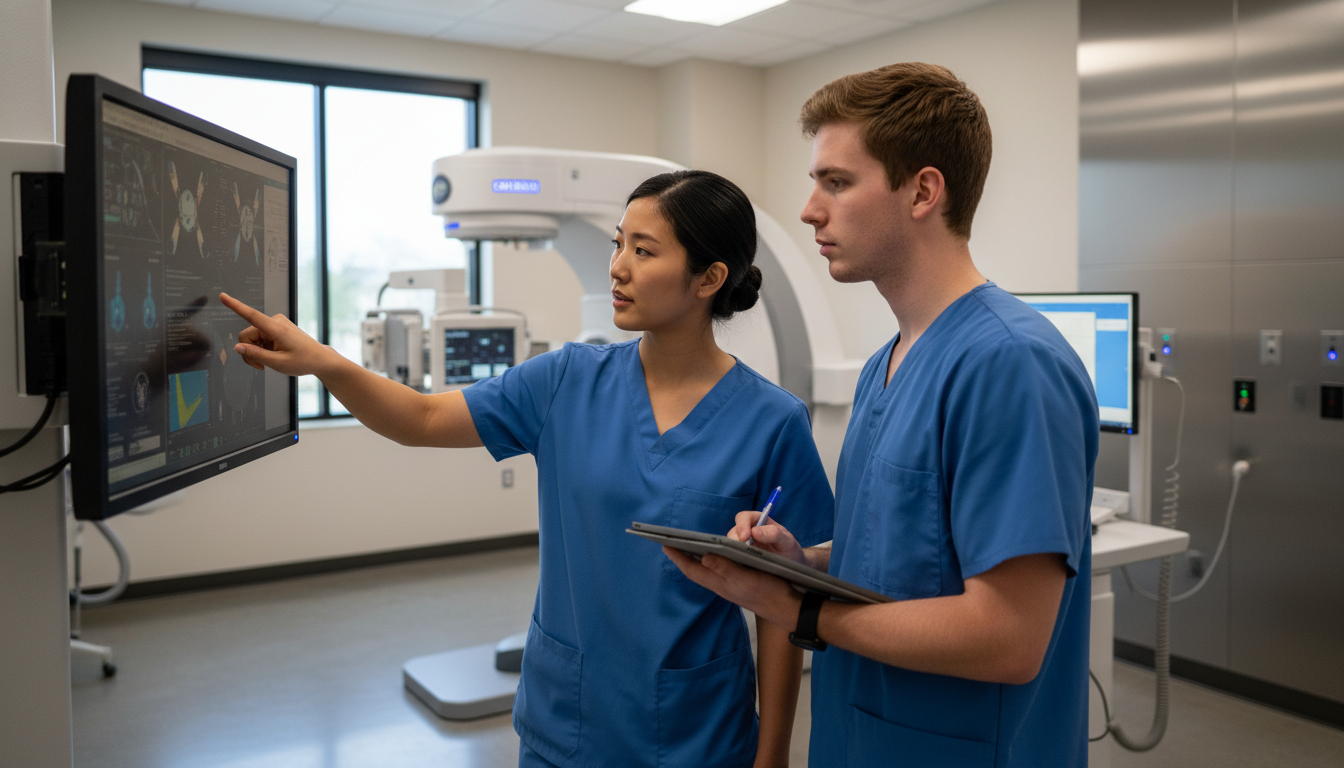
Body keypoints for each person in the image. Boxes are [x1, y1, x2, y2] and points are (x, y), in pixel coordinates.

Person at [221, 169, 835, 768]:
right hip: (565, 720)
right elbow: (421, 419)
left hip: (694, 731)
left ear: (710, 278)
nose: (618, 266)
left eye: (644, 251)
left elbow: (784, 599)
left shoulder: (771, 421)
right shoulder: (566, 379)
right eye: (618, 243)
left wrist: (773, 751)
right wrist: (323, 363)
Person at [664, 63, 1099, 767]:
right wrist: (802, 563)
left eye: (836, 182)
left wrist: (800, 611)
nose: (810, 209)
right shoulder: (887, 364)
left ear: (924, 191)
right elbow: (914, 555)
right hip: (864, 733)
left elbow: (1010, 638)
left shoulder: (1010, 364)